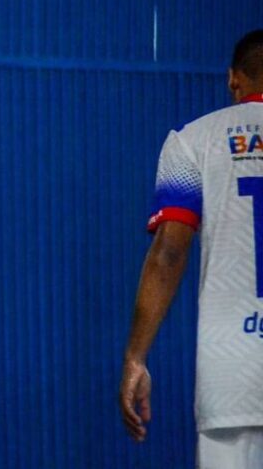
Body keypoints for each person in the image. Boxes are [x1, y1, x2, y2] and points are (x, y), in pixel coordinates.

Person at [120, 29, 263, 467]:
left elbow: (169, 252)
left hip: (233, 376)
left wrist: (136, 357)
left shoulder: (194, 141)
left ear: (233, 79)